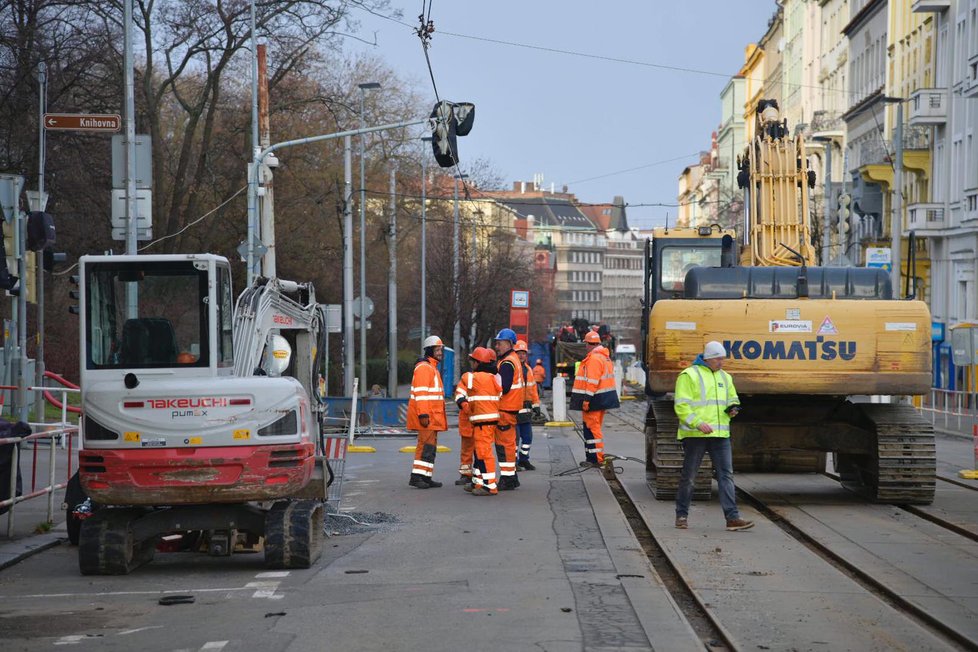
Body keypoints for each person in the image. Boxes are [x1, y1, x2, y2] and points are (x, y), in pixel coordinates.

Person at [673, 341, 753, 531]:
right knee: (689, 476)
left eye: (723, 358)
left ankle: (732, 518)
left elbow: (733, 398)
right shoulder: (689, 375)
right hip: (695, 434)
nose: (721, 362)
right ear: (708, 358)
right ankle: (681, 515)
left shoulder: (725, 377)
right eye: (718, 358)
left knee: (726, 475)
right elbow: (681, 406)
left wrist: (733, 408)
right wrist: (698, 423)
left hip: (720, 434)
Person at [455, 347, 502, 496]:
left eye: (472, 360)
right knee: (481, 452)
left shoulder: (472, 377)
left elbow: (461, 390)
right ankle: (479, 483)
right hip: (490, 420)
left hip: (481, 421)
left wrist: (464, 404)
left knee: (483, 453)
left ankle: (490, 486)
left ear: (477, 363)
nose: (471, 363)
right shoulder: (493, 378)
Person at [569, 330, 620, 467]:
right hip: (601, 399)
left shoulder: (594, 359)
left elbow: (592, 382)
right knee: (590, 428)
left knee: (592, 428)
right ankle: (591, 457)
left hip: (594, 400)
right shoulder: (604, 357)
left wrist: (586, 400)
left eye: (586, 344)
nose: (585, 347)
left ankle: (596, 458)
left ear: (589, 344)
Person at [406, 335, 448, 489]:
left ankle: (426, 476)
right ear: (429, 350)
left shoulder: (431, 367)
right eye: (437, 350)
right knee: (425, 446)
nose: (439, 352)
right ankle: (417, 477)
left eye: (440, 349)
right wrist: (423, 414)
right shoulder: (425, 368)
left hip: (432, 416)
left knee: (430, 447)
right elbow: (421, 394)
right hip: (427, 416)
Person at [492, 328, 523, 490]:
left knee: (504, 446)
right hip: (510, 409)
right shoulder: (513, 359)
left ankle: (508, 479)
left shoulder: (507, 363)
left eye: (500, 343)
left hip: (505, 409)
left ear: (509, 344)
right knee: (509, 445)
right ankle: (511, 477)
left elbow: (503, 387)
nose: (497, 346)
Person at [513, 340, 540, 471]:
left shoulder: (529, 369)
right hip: (515, 410)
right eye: (519, 353)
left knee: (528, 438)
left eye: (523, 353)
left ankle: (524, 459)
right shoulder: (512, 368)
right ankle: (514, 462)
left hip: (526, 410)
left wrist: (536, 405)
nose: (522, 355)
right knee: (514, 440)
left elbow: (533, 389)